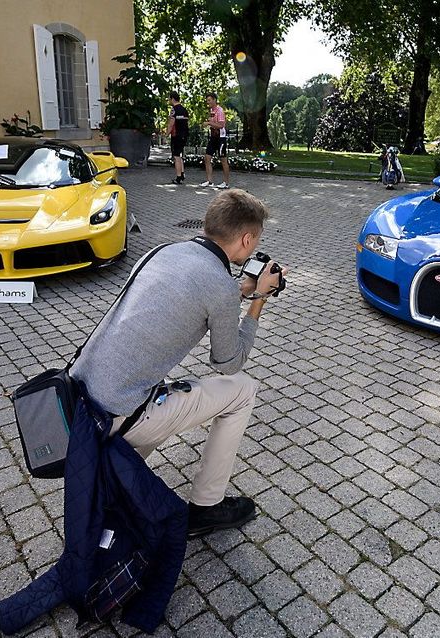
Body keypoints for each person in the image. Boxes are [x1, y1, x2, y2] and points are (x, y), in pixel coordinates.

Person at [70, 189, 286, 538]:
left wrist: (240, 290)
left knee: (167, 389)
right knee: (242, 390)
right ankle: (206, 507)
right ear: (247, 240)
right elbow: (230, 364)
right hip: (115, 415)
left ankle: (119, 475)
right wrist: (259, 298)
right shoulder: (219, 285)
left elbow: (202, 290)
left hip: (79, 398)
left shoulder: (163, 252)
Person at [199, 93, 230, 189]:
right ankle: (209, 181)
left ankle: (226, 182)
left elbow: (221, 125)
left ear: (214, 100)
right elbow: (213, 123)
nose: (207, 102)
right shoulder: (211, 111)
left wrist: (209, 123)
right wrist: (210, 123)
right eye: (207, 100)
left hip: (221, 137)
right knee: (207, 158)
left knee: (223, 159)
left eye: (209, 100)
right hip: (213, 137)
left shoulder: (220, 111)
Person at [167, 92, 189, 185]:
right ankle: (182, 173)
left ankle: (178, 177)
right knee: (179, 155)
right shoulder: (184, 110)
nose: (168, 101)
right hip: (184, 135)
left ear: (172, 99)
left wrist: (167, 133)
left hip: (176, 135)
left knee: (176, 156)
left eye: (169, 99)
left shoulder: (173, 110)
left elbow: (171, 123)